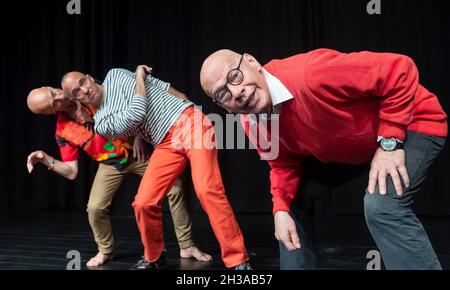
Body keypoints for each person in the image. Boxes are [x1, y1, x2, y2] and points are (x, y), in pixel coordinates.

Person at [200, 48, 448, 270]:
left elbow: (399, 69)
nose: (236, 92)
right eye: (223, 93)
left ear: (253, 63)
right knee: (292, 197)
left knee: (382, 207)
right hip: (357, 146)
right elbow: (283, 164)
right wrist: (280, 210)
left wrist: (390, 142)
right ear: (224, 107)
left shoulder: (310, 75)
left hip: (412, 123)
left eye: (235, 76)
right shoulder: (251, 122)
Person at [61, 67, 251, 270]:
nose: (85, 90)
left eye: (82, 83)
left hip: (189, 123)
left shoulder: (114, 74)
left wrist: (189, 105)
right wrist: (140, 76)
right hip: (165, 142)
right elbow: (136, 114)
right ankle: (155, 257)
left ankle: (238, 260)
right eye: (77, 92)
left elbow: (161, 87)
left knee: (207, 189)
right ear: (77, 100)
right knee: (143, 202)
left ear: (89, 78)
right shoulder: (102, 122)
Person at [26, 86, 212, 268]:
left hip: (137, 154)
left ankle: (186, 245)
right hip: (109, 164)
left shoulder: (86, 91)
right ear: (50, 113)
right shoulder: (63, 131)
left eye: (54, 92)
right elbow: (71, 171)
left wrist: (140, 136)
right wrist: (46, 160)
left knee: (175, 188)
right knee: (95, 208)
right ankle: (105, 250)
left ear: (50, 86)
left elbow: (135, 104)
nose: (60, 96)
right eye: (54, 102)